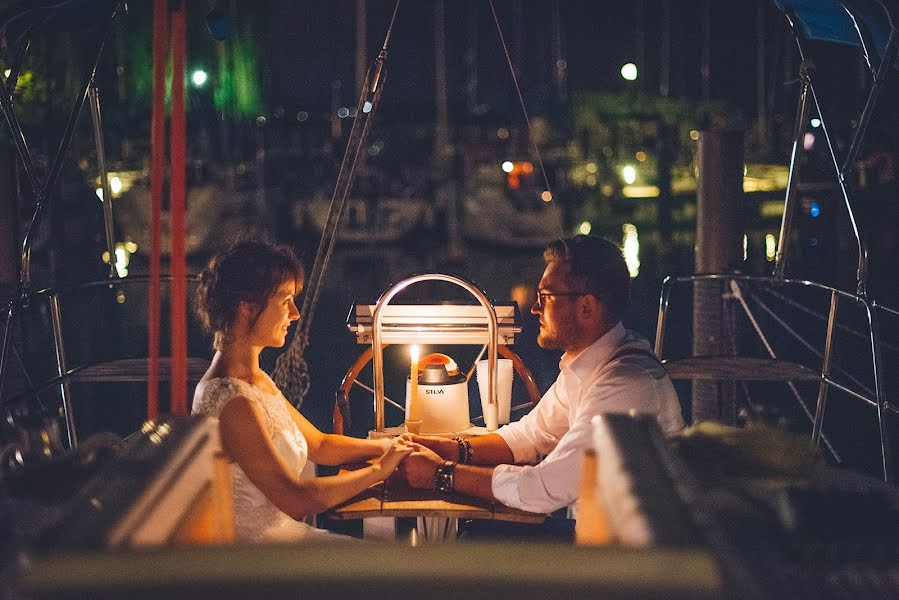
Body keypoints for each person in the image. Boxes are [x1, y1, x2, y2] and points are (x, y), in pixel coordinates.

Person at [400, 235, 684, 530]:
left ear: (586, 307)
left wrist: (441, 475)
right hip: (601, 536)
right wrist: (456, 449)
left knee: (478, 534)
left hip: (634, 560)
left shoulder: (626, 386)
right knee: (478, 530)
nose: (535, 308)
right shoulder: (593, 364)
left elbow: (543, 489)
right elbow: (533, 435)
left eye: (546, 297)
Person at [192, 239, 412, 542]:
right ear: (247, 308)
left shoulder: (254, 380)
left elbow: (319, 445)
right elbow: (295, 499)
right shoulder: (231, 400)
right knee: (389, 570)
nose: (294, 314)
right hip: (255, 559)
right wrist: (378, 472)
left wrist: (391, 447)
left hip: (283, 538)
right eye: (285, 301)